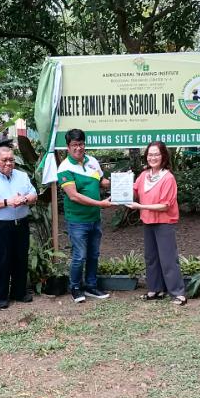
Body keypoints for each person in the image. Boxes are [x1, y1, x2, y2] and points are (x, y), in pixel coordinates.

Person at [0, 143, 38, 309]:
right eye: (4, 160)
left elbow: (34, 195)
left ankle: (19, 292)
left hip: (20, 224)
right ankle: (1, 296)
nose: (9, 163)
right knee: (0, 260)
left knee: (20, 258)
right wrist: (6, 202)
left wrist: (24, 199)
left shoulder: (22, 176)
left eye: (11, 160)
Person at [128, 141, 187, 305]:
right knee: (151, 258)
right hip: (148, 221)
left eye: (156, 154)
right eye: (150, 154)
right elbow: (132, 190)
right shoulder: (144, 175)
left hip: (164, 222)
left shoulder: (168, 177)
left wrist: (141, 206)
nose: (152, 157)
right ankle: (155, 289)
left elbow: (165, 205)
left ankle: (178, 293)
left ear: (163, 156)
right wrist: (120, 183)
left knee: (168, 259)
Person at [57, 129, 112, 303]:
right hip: (77, 220)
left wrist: (121, 181)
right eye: (74, 145)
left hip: (94, 218)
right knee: (79, 255)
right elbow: (73, 195)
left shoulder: (93, 161)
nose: (78, 148)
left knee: (93, 254)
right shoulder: (64, 167)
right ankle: (74, 287)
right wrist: (100, 204)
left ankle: (90, 285)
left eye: (81, 144)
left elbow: (101, 182)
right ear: (68, 147)